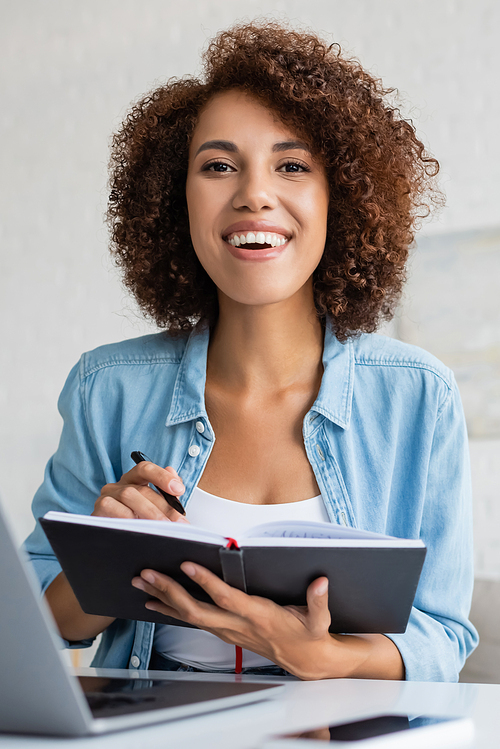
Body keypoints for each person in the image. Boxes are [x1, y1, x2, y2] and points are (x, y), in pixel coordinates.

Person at [25, 21, 478, 681]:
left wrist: (326, 657)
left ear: (340, 198)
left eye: (291, 165)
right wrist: (106, 555)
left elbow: (443, 636)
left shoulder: (418, 395)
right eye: (217, 165)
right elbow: (33, 622)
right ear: (178, 199)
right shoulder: (107, 389)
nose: (253, 193)